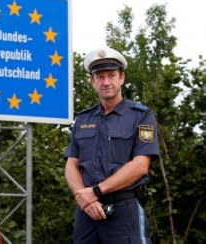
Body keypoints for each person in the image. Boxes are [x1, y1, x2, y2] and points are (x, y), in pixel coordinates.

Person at [64, 47, 159, 243]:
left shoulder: (142, 116)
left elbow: (141, 165)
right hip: (87, 213)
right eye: (100, 77)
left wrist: (96, 192)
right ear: (92, 82)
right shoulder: (82, 119)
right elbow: (71, 164)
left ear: (121, 78)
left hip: (124, 209)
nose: (106, 82)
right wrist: (84, 199)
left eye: (111, 75)